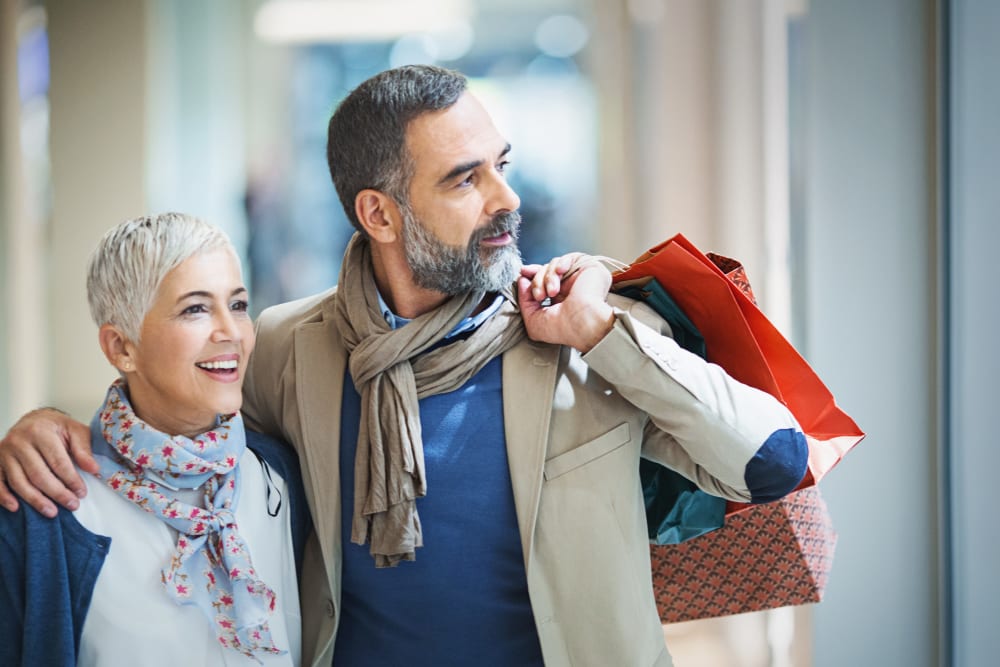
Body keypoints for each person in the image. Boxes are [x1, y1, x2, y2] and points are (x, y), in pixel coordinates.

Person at [0, 66, 808, 666]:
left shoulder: (579, 339)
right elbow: (183, 439)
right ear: (378, 212)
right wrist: (50, 430)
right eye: (465, 177)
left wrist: (603, 330)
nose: (505, 198)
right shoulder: (288, 346)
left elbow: (773, 461)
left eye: (502, 163)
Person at [0, 213, 311, 666]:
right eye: (195, 309)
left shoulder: (281, 476)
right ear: (121, 348)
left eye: (239, 305)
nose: (231, 333)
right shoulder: (46, 509)